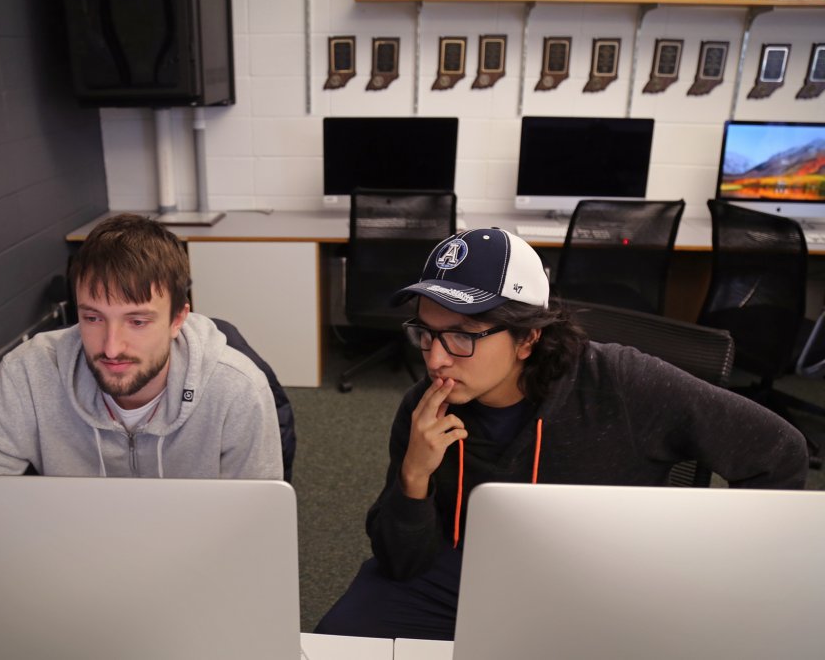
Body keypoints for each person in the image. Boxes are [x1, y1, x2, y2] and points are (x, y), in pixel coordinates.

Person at [315, 227, 808, 640]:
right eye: (426, 332)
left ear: (529, 337)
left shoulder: (623, 382)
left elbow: (780, 452)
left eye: (463, 335)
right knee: (339, 640)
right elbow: (402, 563)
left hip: (601, 581)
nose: (436, 357)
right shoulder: (425, 407)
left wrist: (708, 575)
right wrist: (414, 477)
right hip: (465, 569)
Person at [0, 214, 283, 479]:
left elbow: (253, 522)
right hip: (71, 553)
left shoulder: (237, 390)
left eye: (137, 321)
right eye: (93, 318)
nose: (110, 347)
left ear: (178, 320)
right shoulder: (28, 374)